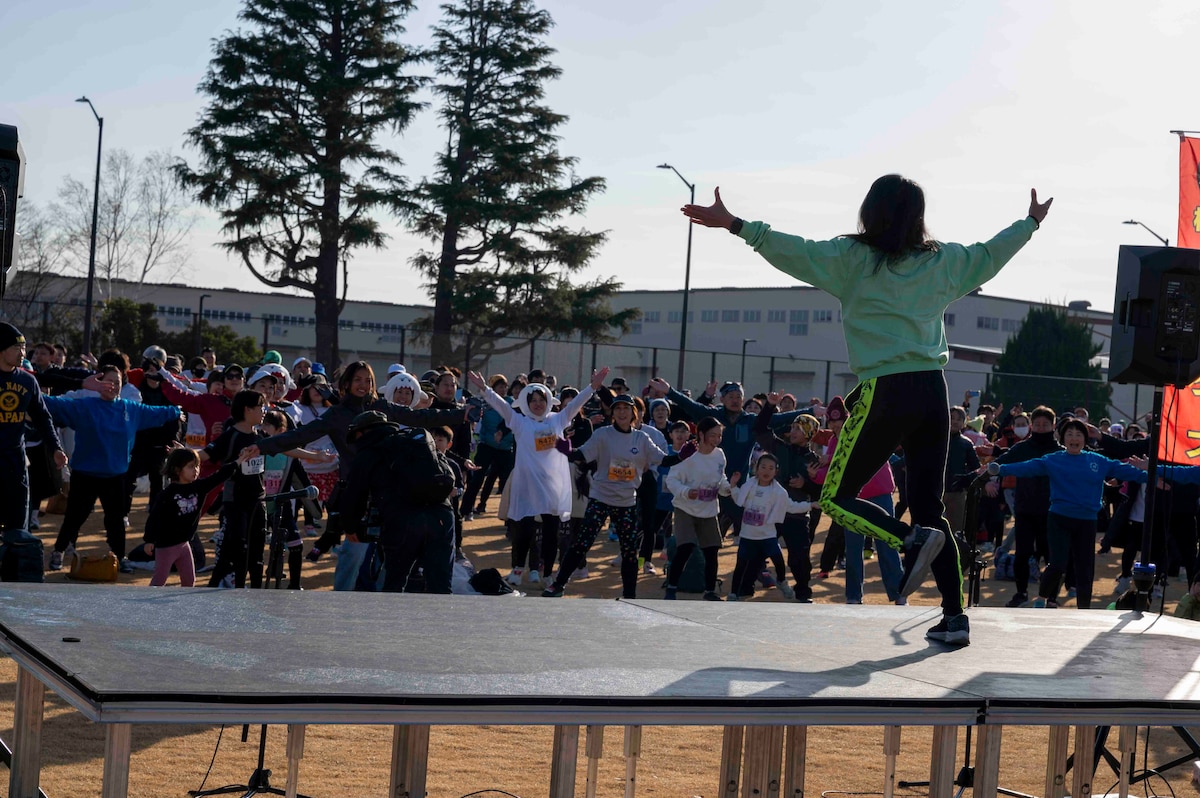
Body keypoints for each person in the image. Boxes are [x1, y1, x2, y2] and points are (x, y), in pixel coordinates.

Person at [682, 175, 1052, 645]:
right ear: (918, 216)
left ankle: (909, 540)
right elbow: (989, 254)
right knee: (930, 509)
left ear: (869, 211)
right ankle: (955, 617)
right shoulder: (942, 261)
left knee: (837, 497)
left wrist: (737, 225)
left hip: (885, 388)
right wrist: (1029, 223)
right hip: (933, 391)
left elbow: (793, 250)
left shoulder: (852, 258)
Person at [467, 367, 606, 586]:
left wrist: (593, 387)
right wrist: (484, 389)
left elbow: (576, 404)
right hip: (527, 485)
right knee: (523, 530)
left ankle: (548, 574)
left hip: (551, 486)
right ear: (526, 403)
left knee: (551, 531)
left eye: (541, 399)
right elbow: (502, 406)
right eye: (533, 400)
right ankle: (517, 570)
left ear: (549, 400)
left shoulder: (558, 420)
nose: (538, 404)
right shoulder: (520, 422)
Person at [989, 419, 1148, 609]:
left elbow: (1128, 471)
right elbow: (1026, 467)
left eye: (1078, 435)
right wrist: (999, 469)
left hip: (1087, 522)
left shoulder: (1097, 461)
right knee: (1057, 564)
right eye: (1070, 434)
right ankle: (1042, 598)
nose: (1074, 438)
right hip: (1059, 519)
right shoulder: (1054, 459)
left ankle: (1084, 610)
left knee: (1085, 568)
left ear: (1085, 439)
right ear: (1063, 439)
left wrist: (1152, 474)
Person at [43, 365, 182, 572]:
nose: (113, 386)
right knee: (74, 517)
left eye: (117, 382)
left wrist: (176, 411)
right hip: (85, 474)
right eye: (108, 381)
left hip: (115, 475)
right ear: (98, 383)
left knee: (116, 520)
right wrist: (27, 388)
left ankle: (119, 556)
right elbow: (52, 403)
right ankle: (59, 551)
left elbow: (156, 412)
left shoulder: (130, 408)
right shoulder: (84, 406)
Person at [0, 323, 67, 543]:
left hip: (16, 460)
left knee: (19, 524)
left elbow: (43, 418)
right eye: (16, 348)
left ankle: (14, 559)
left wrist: (56, 447)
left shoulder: (27, 380)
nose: (22, 353)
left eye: (23, 348)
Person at [143, 448, 241, 587]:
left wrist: (239, 461)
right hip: (166, 546)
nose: (195, 470)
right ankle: (145, 602)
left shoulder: (199, 487)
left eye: (197, 466)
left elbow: (219, 476)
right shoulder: (166, 494)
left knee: (189, 580)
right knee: (159, 581)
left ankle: (186, 602)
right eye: (190, 466)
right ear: (177, 470)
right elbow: (154, 518)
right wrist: (149, 540)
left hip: (184, 544)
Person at [728, 454, 812, 600]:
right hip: (748, 535)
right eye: (763, 467)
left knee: (779, 561)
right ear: (756, 469)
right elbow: (739, 499)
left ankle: (782, 581)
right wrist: (734, 486)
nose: (766, 471)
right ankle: (734, 593)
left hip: (767, 535)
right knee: (741, 565)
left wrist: (810, 505)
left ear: (776, 471)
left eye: (771, 468)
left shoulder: (779, 492)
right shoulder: (749, 486)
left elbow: (791, 506)